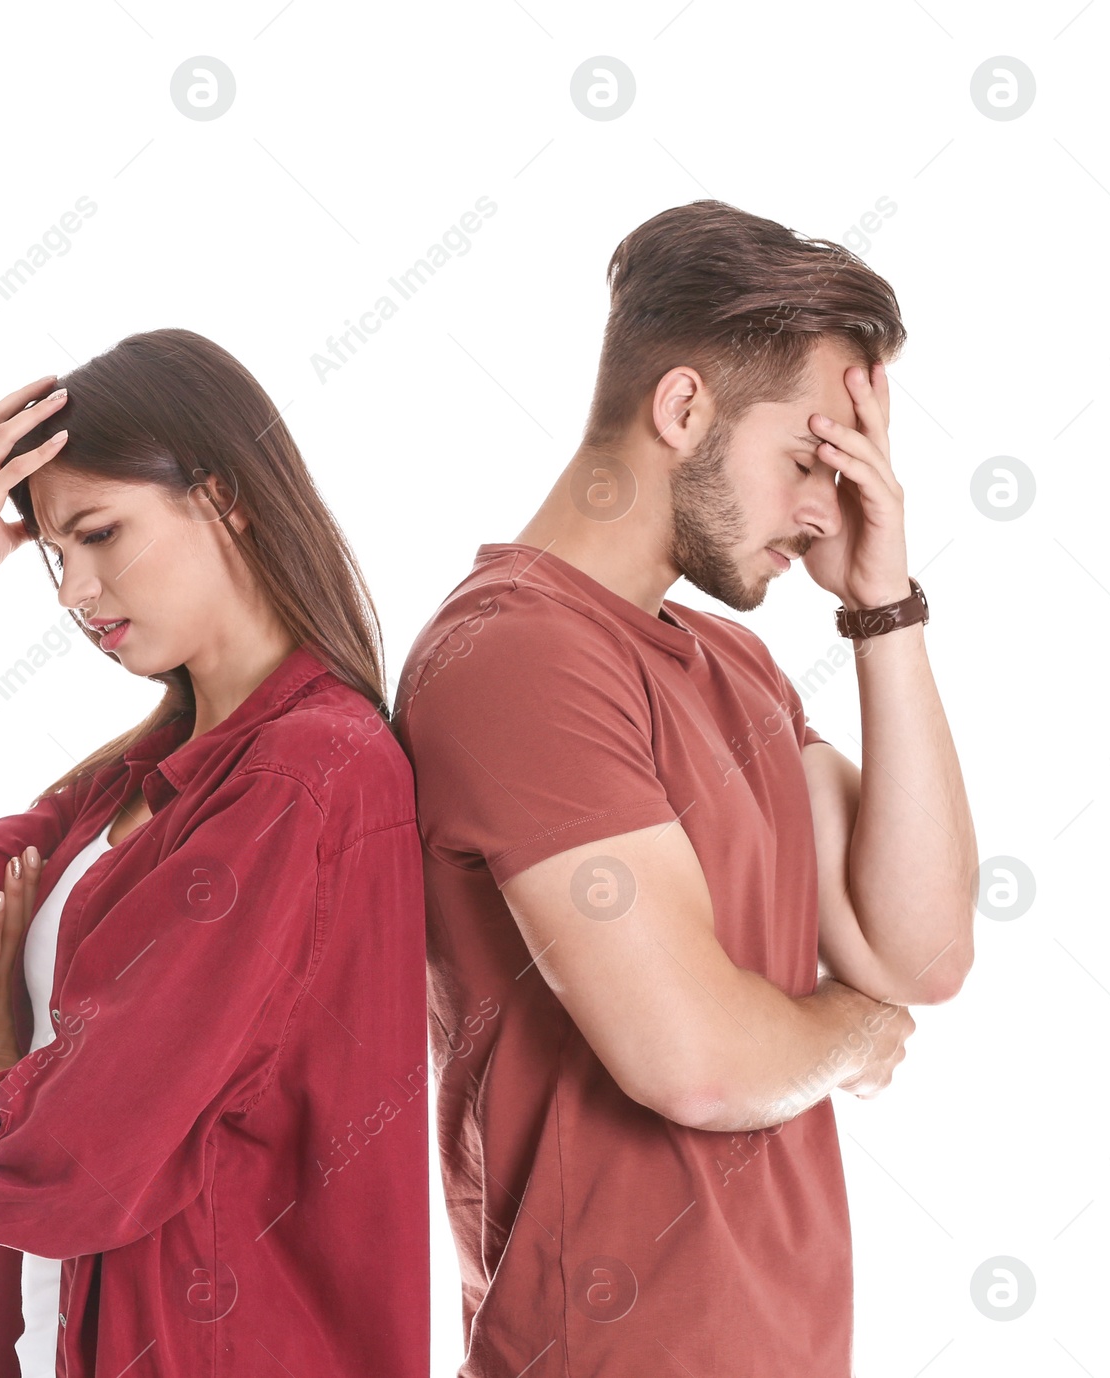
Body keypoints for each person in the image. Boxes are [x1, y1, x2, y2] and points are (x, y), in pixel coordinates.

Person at [392, 201, 978, 1376]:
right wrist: (853, 1032)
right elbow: (696, 1059)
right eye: (808, 460)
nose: (823, 508)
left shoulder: (736, 667)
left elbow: (920, 952)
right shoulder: (515, 654)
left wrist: (882, 603)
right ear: (682, 407)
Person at [0, 329, 429, 1378]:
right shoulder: (127, 785)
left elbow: (78, 1157)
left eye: (98, 532)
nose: (70, 590)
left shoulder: (304, 774)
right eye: (53, 551)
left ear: (223, 499)